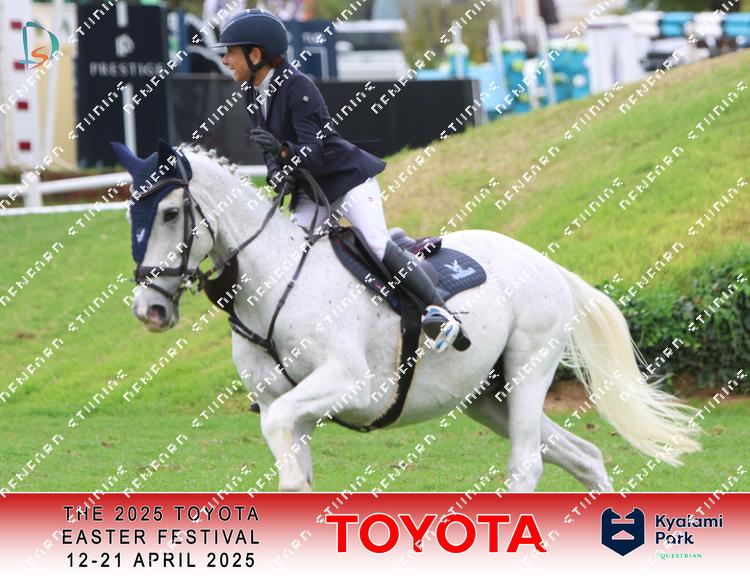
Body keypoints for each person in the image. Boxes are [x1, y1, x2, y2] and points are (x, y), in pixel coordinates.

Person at [215, 8, 466, 352]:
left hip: (348, 182)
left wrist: (284, 152)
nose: (225, 59)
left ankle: (442, 313)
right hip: (311, 192)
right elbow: (268, 150)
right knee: (293, 257)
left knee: (375, 245)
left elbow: (313, 153)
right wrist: (276, 171)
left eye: (230, 52)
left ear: (255, 55)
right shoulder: (250, 93)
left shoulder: (298, 87)